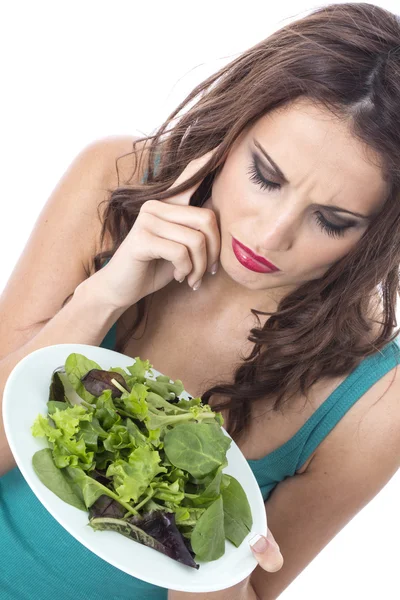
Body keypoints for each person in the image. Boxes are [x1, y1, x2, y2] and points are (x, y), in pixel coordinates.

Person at [1, 2, 400, 599]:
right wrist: (103, 295)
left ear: (379, 235)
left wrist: (216, 551)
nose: (270, 237)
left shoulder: (376, 401)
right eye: (265, 177)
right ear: (232, 130)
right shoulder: (113, 180)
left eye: (332, 220)